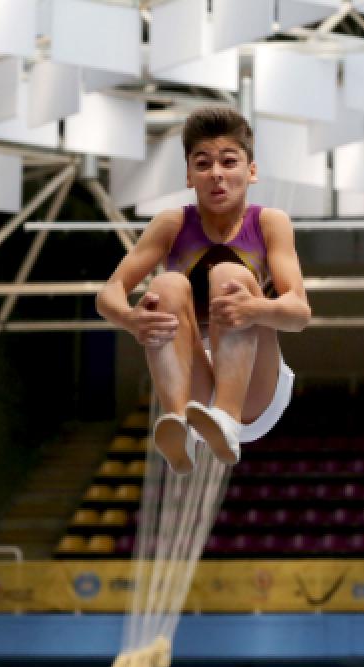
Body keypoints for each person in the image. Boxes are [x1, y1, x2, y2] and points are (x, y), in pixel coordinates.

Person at [97, 107, 310, 472]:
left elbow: (299, 313)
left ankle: (226, 418)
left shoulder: (270, 223)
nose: (216, 175)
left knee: (230, 274)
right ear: (189, 176)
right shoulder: (171, 223)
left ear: (251, 171)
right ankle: (177, 419)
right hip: (195, 388)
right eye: (203, 164)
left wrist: (256, 309)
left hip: (255, 390)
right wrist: (131, 320)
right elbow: (110, 292)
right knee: (165, 286)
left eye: (229, 162)